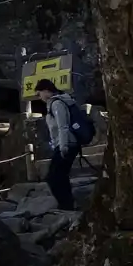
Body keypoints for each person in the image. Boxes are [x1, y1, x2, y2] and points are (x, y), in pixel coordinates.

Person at [36, 78, 79, 211]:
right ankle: (67, 204)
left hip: (66, 144)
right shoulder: (54, 104)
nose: (39, 97)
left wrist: (63, 146)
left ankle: (66, 205)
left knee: (54, 177)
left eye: (39, 93)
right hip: (62, 144)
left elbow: (63, 126)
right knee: (60, 175)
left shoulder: (57, 104)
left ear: (47, 91)